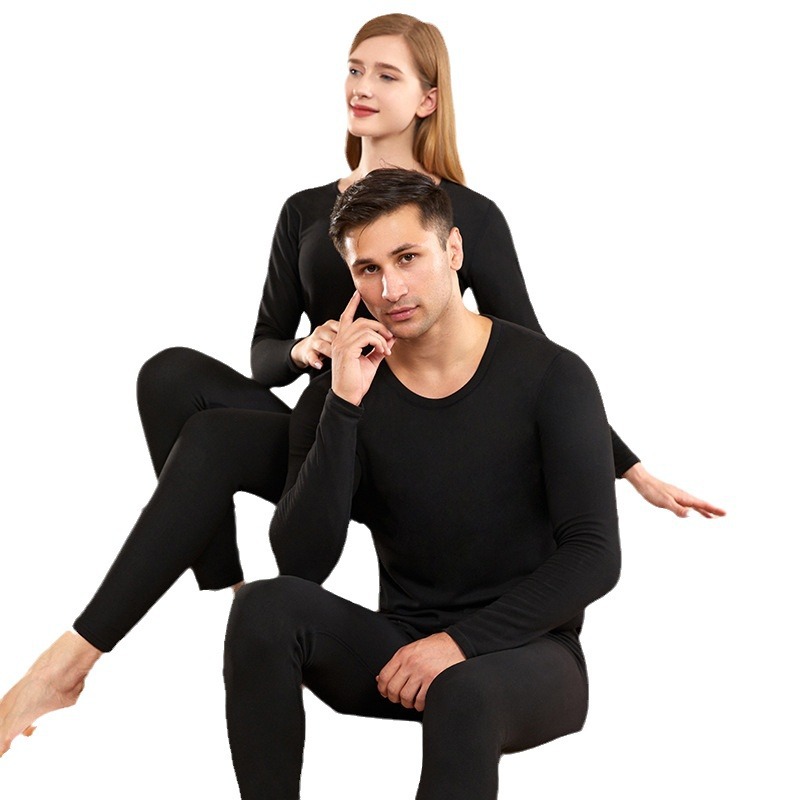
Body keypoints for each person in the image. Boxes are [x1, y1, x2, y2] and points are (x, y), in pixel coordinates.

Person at [0, 13, 722, 759]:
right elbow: (262, 354)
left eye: (386, 75)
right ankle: (229, 595)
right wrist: (306, 349)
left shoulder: (463, 215)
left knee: (218, 441)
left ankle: (91, 655)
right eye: (354, 69)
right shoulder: (306, 210)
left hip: (409, 445)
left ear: (427, 100)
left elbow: (531, 357)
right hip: (329, 423)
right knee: (173, 380)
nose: (362, 87)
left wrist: (626, 465)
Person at [224, 167, 622, 799]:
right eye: (369, 269)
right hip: (400, 653)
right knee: (262, 608)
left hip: (531, 652)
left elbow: (595, 555)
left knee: (464, 690)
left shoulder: (553, 376)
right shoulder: (339, 391)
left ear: (453, 250)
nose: (391, 289)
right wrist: (344, 406)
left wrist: (458, 644)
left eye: (408, 257)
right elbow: (300, 561)